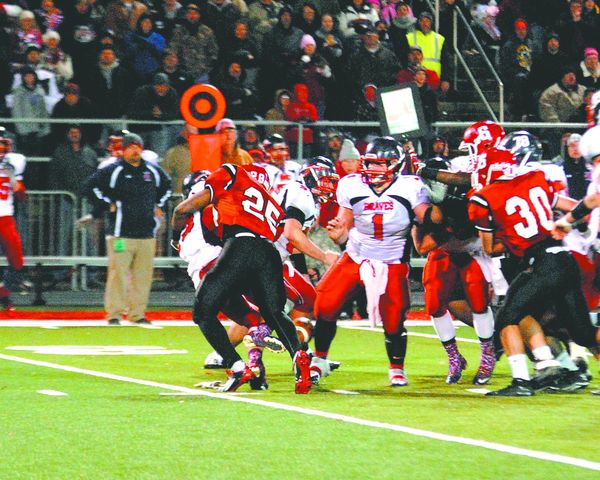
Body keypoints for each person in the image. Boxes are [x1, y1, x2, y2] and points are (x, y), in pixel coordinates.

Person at [468, 146, 599, 396]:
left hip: (541, 263)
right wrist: (570, 224)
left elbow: (489, 248)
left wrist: (510, 238)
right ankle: (564, 369)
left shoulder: (483, 197)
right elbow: (576, 207)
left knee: (507, 317)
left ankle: (521, 381)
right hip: (565, 258)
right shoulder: (536, 179)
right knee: (583, 332)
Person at [172, 161, 312, 393]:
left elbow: (184, 211)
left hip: (232, 252)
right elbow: (280, 236)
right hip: (268, 253)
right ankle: (295, 357)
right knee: (269, 315)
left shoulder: (229, 177)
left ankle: (237, 367)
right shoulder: (270, 201)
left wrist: (176, 238)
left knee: (203, 313)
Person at [311, 136, 439, 387]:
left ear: (396, 165)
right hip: (356, 256)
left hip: (391, 261)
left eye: (381, 164)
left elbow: (428, 219)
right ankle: (320, 359)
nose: (373, 169)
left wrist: (442, 205)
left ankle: (396, 368)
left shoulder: (410, 186)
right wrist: (339, 233)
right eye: (370, 164)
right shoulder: (351, 184)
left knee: (393, 319)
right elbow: (343, 223)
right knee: (325, 303)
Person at [84, 133, 172, 326]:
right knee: (118, 275)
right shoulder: (113, 170)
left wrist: (159, 204)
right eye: (131, 146)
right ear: (123, 150)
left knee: (143, 276)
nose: (135, 150)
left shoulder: (152, 171)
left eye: (138, 146)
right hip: (120, 233)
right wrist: (107, 204)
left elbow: (167, 187)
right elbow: (90, 186)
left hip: (147, 233)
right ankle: (114, 314)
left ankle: (137, 313)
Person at [48, 125, 98, 255]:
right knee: (63, 235)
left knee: (88, 237)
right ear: (67, 134)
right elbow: (53, 176)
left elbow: (96, 175)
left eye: (77, 132)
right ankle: (60, 271)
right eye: (71, 132)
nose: (74, 134)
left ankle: (91, 270)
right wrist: (61, 194)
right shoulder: (60, 152)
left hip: (87, 200)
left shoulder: (90, 153)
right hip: (67, 199)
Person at [0, 127, 28, 311]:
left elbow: (22, 196)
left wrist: (11, 176)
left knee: (16, 258)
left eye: (3, 144)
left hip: (5, 215)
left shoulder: (15, 162)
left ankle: (4, 292)